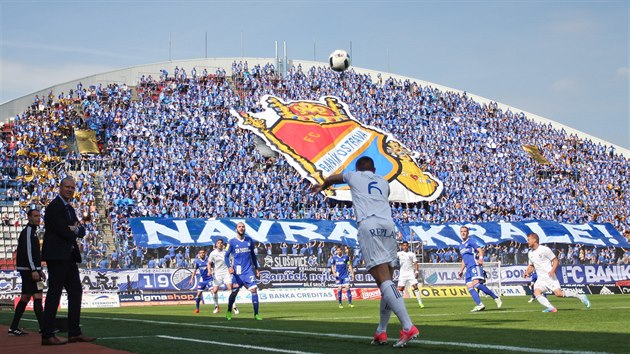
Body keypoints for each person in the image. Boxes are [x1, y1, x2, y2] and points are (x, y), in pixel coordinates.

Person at [310, 156, 419, 348]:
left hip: (370, 224)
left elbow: (335, 178)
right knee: (386, 282)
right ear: (374, 169)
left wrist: (323, 185)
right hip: (388, 226)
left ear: (358, 169)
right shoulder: (384, 182)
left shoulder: (353, 176)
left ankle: (408, 326)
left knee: (383, 280)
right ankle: (381, 331)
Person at [41, 176, 95, 345]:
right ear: (60, 188)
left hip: (69, 256)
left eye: (72, 187)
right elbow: (64, 231)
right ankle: (47, 334)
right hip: (57, 256)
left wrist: (73, 228)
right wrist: (72, 229)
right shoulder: (54, 207)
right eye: (67, 187)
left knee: (76, 292)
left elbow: (81, 231)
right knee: (54, 294)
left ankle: (74, 332)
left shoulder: (70, 209)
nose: (70, 190)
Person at [523, 233, 590, 312]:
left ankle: (580, 296)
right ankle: (551, 308)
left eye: (528, 240)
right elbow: (532, 265)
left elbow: (555, 261)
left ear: (534, 240)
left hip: (549, 277)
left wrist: (552, 271)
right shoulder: (530, 253)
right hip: (540, 279)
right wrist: (527, 272)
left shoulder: (544, 249)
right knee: (536, 292)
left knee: (559, 294)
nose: (527, 242)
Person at [9, 208, 45, 336]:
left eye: (39, 216)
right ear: (29, 217)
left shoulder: (33, 232)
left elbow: (34, 254)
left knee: (29, 296)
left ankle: (14, 328)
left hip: (31, 270)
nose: (38, 218)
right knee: (35, 296)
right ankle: (43, 328)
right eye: (35, 216)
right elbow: (29, 252)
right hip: (29, 271)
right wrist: (34, 270)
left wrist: (39, 269)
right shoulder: (29, 231)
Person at [457, 226, 502, 312]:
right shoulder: (460, 245)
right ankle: (480, 305)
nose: (463, 233)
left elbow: (480, 250)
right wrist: (461, 270)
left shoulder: (470, 241)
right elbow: (464, 259)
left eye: (465, 231)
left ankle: (495, 297)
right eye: (461, 231)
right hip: (468, 269)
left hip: (474, 265)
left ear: (468, 233)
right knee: (470, 287)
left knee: (476, 284)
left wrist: (481, 258)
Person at [224, 222, 261, 320]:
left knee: (254, 290)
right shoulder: (231, 242)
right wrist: (229, 267)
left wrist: (256, 269)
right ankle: (229, 310)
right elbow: (226, 256)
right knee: (234, 293)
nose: (241, 228)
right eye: (239, 227)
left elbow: (253, 255)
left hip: (248, 271)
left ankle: (256, 314)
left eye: (243, 227)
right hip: (237, 273)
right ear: (236, 229)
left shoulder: (249, 240)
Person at [208, 239, 238, 314]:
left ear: (223, 244)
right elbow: (209, 263)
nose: (220, 244)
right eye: (218, 243)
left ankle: (234, 307)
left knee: (230, 288)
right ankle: (216, 306)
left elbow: (232, 260)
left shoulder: (226, 252)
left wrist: (231, 268)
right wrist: (209, 271)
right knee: (214, 291)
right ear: (216, 244)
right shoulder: (213, 253)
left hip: (226, 273)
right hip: (217, 273)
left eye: (221, 243)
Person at [396, 241, 424, 308]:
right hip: (402, 274)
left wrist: (417, 272)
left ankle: (420, 303)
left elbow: (416, 263)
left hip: (410, 273)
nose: (405, 246)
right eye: (404, 245)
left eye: (406, 245)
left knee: (415, 286)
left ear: (408, 246)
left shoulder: (411, 254)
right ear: (402, 246)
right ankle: (400, 304)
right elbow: (391, 258)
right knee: (401, 288)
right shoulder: (399, 254)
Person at [188, 249, 212, 314]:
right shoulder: (197, 262)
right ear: (199, 254)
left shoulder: (209, 260)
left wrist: (212, 272)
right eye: (200, 253)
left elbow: (214, 267)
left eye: (203, 253)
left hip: (210, 278)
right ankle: (197, 309)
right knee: (198, 294)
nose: (202, 254)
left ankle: (216, 306)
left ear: (205, 253)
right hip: (202, 279)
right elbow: (195, 270)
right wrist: (191, 278)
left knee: (213, 292)